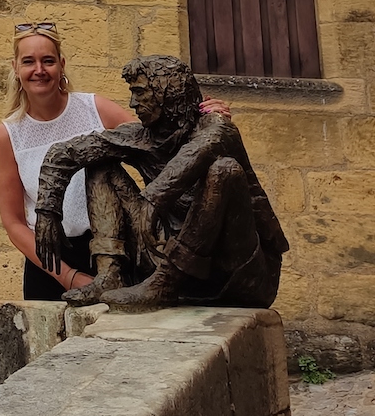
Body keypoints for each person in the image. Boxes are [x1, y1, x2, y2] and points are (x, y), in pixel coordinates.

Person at [0, 23, 233, 300]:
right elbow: (14, 223)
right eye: (28, 62)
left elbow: (159, 142)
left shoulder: (95, 110)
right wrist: (69, 276)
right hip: (48, 265)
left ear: (61, 64)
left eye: (48, 60)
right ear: (15, 68)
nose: (39, 70)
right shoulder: (8, 135)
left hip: (113, 254)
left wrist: (207, 119)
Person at [35, 54, 288, 310]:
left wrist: (153, 198)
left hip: (238, 273)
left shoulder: (216, 126)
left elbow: (202, 147)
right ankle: (110, 276)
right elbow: (64, 153)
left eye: (141, 93)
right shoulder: (139, 138)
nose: (133, 103)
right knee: (101, 166)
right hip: (169, 256)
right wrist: (47, 210)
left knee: (224, 170)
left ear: (168, 92)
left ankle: (166, 283)